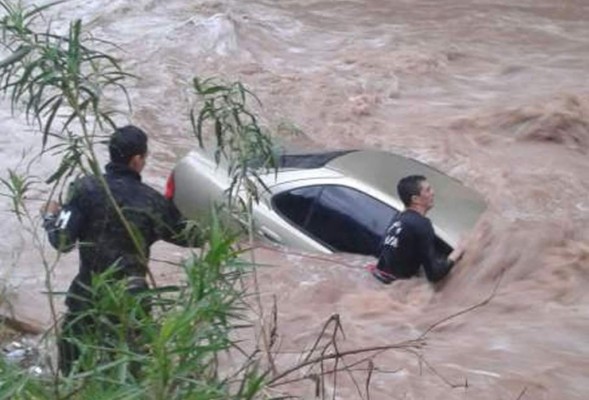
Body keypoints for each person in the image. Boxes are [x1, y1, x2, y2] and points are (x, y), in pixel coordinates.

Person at [41, 125, 201, 375]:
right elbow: (191, 237)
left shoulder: (85, 189)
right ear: (137, 159)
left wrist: (51, 217)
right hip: (130, 302)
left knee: (71, 371)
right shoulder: (151, 201)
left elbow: (62, 241)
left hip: (86, 296)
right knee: (128, 373)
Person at [371, 175, 465, 284]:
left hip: (379, 278)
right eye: (428, 190)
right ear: (415, 199)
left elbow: (385, 250)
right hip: (398, 289)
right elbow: (435, 274)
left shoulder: (398, 218)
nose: (433, 193)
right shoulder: (422, 224)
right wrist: (459, 251)